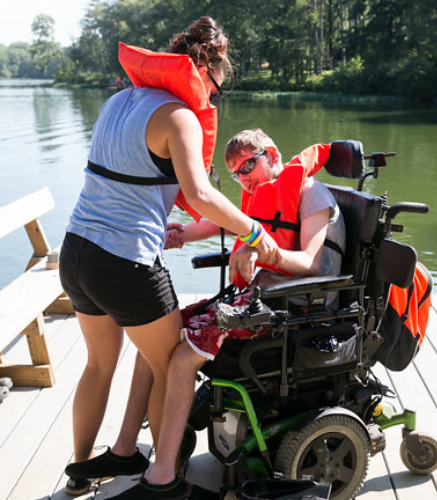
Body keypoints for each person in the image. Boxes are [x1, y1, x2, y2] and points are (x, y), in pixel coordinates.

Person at [59, 18, 277, 500]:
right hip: (125, 263)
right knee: (171, 363)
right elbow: (199, 194)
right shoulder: (178, 115)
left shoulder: (118, 101)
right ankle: (166, 483)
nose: (214, 99)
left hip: (76, 251)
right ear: (206, 69)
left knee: (99, 364)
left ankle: (82, 468)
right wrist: (254, 230)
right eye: (217, 88)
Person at [64, 128, 346, 498]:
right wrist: (183, 233)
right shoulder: (258, 193)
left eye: (249, 164)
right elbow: (220, 222)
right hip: (255, 303)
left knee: (180, 358)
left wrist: (261, 250)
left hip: (294, 309)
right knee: (153, 341)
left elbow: (310, 263)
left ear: (273, 155)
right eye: (236, 173)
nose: (244, 177)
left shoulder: (313, 195)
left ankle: (163, 477)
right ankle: (125, 451)